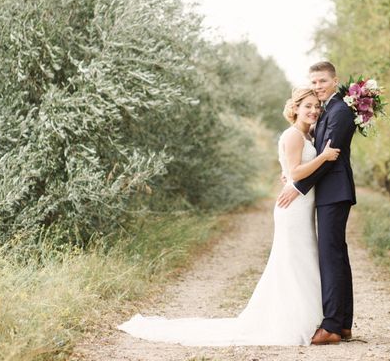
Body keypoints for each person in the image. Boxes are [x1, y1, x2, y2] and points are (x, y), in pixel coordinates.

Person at [117, 88, 341, 346]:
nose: (313, 111)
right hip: (293, 209)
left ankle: (307, 317)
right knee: (293, 262)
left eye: (316, 107)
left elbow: (289, 172)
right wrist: (323, 157)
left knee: (301, 261)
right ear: (296, 108)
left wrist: (292, 172)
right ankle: (291, 322)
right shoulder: (293, 135)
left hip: (302, 206)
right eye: (308, 106)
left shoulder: (306, 135)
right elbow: (297, 172)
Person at [276, 61, 357, 346]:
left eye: (322, 81)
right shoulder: (326, 112)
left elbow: (329, 156)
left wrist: (297, 187)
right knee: (335, 254)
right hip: (327, 193)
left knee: (331, 256)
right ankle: (343, 323)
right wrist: (291, 174)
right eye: (314, 82)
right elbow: (309, 157)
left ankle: (333, 326)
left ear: (335, 81)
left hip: (334, 191)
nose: (318, 87)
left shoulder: (340, 111)